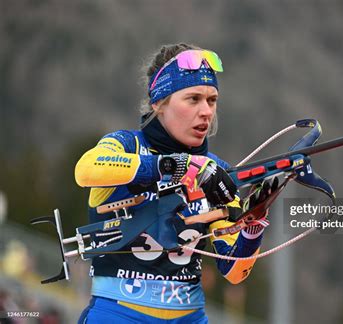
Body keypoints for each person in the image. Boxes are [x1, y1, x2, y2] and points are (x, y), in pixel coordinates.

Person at [75, 43, 272, 323]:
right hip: (118, 313)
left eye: (212, 100)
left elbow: (235, 272)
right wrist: (174, 166)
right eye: (193, 99)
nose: (206, 112)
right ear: (159, 102)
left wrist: (252, 224)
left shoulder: (215, 170)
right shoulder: (125, 144)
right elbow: (85, 170)